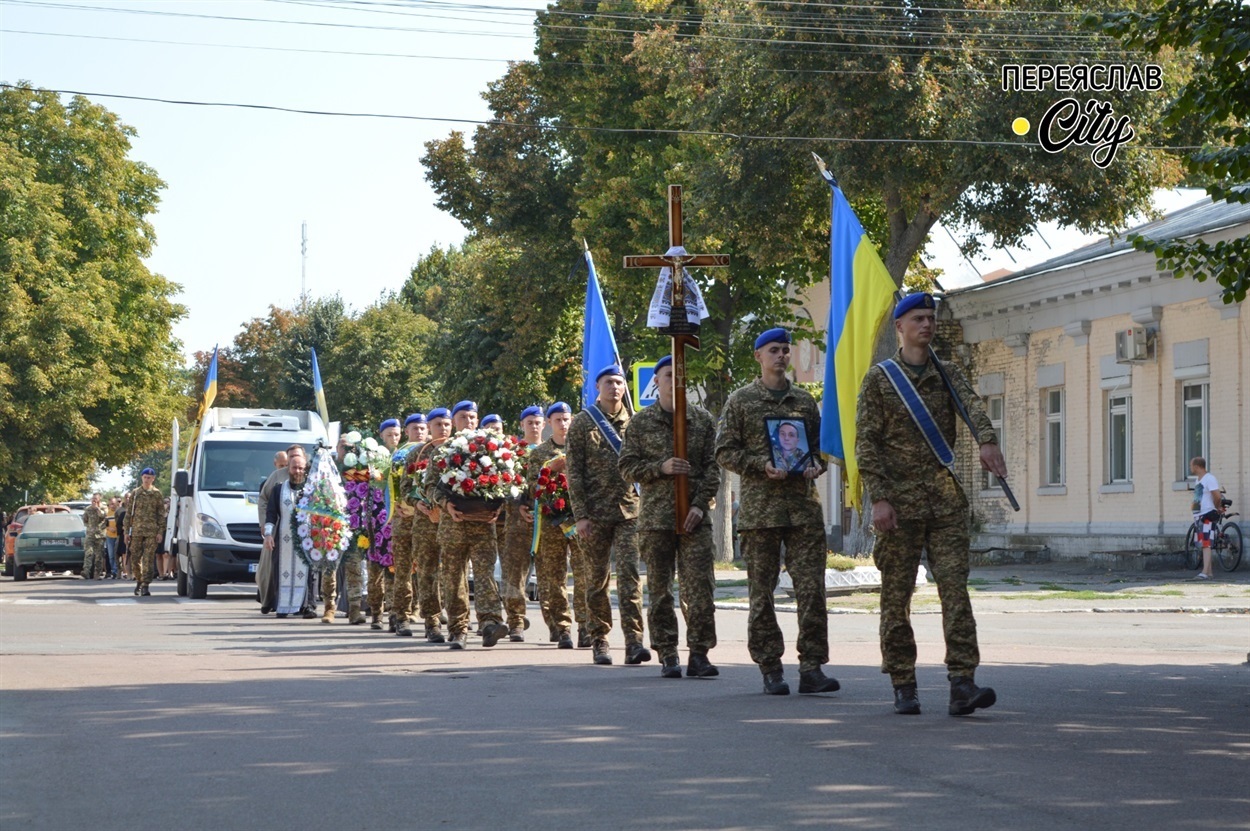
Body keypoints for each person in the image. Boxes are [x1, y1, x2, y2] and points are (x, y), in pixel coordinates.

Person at [855, 292, 1005, 717]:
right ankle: (903, 682)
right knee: (896, 597)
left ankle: (963, 682)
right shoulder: (881, 379)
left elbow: (974, 407)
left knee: (955, 591)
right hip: (898, 506)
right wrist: (879, 499)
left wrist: (987, 441)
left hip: (943, 502)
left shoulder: (948, 372)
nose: (927, 325)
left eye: (931, 318)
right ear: (899, 327)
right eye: (918, 318)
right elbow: (867, 443)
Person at [714, 327, 838, 696]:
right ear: (758, 356)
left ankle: (812, 667)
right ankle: (770, 667)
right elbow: (724, 451)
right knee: (762, 593)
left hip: (802, 510)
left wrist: (816, 464)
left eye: (786, 350)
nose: (781, 356)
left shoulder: (803, 401)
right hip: (761, 511)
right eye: (774, 350)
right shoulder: (741, 401)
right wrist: (759, 464)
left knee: (812, 590)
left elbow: (820, 448)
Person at [619, 355, 721, 679]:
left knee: (700, 589)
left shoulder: (702, 420)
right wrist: (658, 468)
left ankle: (700, 654)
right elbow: (626, 467)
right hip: (656, 520)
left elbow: (712, 468)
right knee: (661, 591)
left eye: (680, 375)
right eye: (668, 375)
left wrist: (699, 504)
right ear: (657, 381)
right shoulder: (640, 423)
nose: (675, 380)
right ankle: (668, 653)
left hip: (694, 518)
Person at [567, 364, 650, 667]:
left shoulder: (637, 423)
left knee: (630, 578)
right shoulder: (582, 423)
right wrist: (580, 515)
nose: (614, 387)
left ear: (625, 388)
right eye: (608, 382)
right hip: (595, 514)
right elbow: (574, 472)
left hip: (630, 511)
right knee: (597, 579)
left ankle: (634, 641)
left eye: (619, 382)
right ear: (597, 387)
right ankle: (599, 639)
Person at [422, 400, 509, 649]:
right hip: (453, 525)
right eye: (463, 417)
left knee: (485, 575)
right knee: (454, 578)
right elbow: (429, 486)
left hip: (483, 526)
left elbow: (505, 481)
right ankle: (458, 628)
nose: (469, 422)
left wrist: (498, 507)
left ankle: (490, 623)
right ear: (455, 421)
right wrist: (445, 504)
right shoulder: (442, 452)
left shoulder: (492, 450)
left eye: (472, 417)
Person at [521, 402, 581, 649]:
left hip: (579, 520)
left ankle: (587, 625)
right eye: (558, 420)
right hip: (551, 522)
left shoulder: (581, 447)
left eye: (566, 419)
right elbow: (533, 490)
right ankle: (562, 627)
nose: (563, 424)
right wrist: (550, 470)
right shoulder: (539, 453)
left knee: (584, 574)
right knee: (553, 577)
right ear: (549, 423)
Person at [500, 405, 544, 641]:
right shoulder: (513, 453)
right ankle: (515, 622)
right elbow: (505, 485)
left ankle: (559, 625)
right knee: (514, 575)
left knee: (550, 576)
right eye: (530, 422)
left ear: (544, 424)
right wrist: (519, 506)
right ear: (521, 425)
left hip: (549, 524)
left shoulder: (553, 451)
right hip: (518, 524)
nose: (534, 426)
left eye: (538, 422)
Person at [410, 407, 452, 641]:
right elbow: (405, 488)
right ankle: (432, 622)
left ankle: (456, 619)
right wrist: (417, 504)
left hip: (449, 521)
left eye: (446, 424)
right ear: (429, 428)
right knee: (427, 573)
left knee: (451, 573)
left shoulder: (459, 452)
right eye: (438, 425)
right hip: (424, 523)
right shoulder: (417, 454)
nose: (443, 428)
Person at [262, 448, 318, 618]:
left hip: (307, 539)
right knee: (282, 571)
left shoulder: (312, 490)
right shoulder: (279, 489)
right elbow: (271, 513)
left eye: (301, 468)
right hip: (283, 539)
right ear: (289, 469)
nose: (298, 471)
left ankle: (308, 605)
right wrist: (269, 535)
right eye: (295, 468)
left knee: (309, 572)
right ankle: (283, 605)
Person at [391, 413, 428, 636]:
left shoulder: (434, 453)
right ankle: (400, 615)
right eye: (415, 428)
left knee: (427, 570)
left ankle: (428, 613)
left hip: (426, 520)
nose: (419, 432)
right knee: (402, 571)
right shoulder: (399, 455)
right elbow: (392, 485)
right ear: (407, 431)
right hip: (404, 518)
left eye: (422, 428)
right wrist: (395, 504)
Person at [256, 449, 291, 614]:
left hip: (299, 530)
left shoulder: (306, 475)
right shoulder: (277, 476)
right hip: (277, 526)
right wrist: (264, 523)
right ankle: (268, 599)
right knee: (269, 566)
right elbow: (264, 499)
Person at [124, 469, 167, 597]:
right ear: (142, 478)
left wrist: (160, 532)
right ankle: (139, 579)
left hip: (151, 531)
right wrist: (127, 531)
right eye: (145, 477)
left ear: (153, 478)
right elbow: (128, 514)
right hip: (136, 531)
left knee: (148, 559)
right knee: (135, 558)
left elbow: (161, 514)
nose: (147, 479)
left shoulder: (157, 494)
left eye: (149, 477)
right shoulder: (136, 493)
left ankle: (145, 585)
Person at [1190, 456, 1224, 580]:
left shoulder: (1210, 479)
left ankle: (1205, 572)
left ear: (1197, 466)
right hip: (1199, 515)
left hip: (1207, 514)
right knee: (1203, 543)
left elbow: (1217, 495)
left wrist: (1217, 507)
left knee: (1206, 543)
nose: (1190, 468)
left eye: (1191, 465)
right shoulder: (1198, 480)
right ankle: (1208, 572)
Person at [81, 493, 108, 580]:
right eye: (93, 498)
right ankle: (86, 571)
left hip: (99, 535)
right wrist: (89, 527)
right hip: (90, 534)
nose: (94, 500)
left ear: (99, 499)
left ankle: (97, 573)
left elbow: (103, 515)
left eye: (96, 499)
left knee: (99, 555)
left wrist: (97, 508)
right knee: (88, 552)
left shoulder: (103, 507)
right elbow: (84, 519)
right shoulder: (88, 509)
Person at [105, 497, 120, 579]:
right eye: (111, 504)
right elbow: (105, 524)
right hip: (109, 536)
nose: (112, 506)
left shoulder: (119, 512)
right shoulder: (107, 513)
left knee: (117, 554)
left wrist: (117, 529)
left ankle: (118, 571)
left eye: (114, 504)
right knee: (111, 555)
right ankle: (114, 571)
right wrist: (109, 528)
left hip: (118, 536)